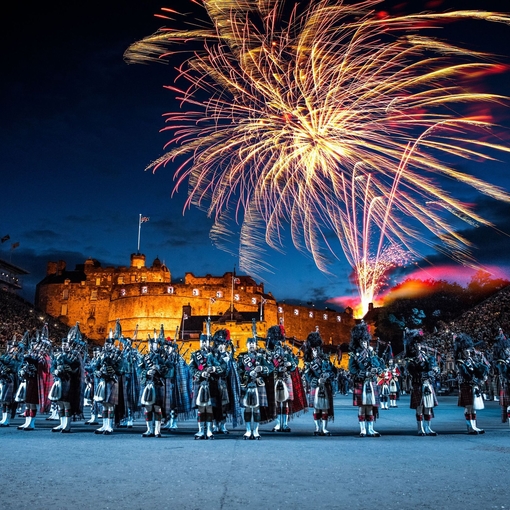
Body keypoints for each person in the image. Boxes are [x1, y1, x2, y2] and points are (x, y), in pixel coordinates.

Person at [237, 321, 273, 439]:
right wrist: (248, 373)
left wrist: (261, 368)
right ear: (247, 345)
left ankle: (256, 431)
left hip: (258, 384)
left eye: (253, 343)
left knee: (257, 409)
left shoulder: (260, 357)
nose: (251, 345)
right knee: (247, 409)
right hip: (247, 384)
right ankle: (248, 430)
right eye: (250, 343)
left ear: (255, 345)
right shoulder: (242, 358)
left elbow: (270, 368)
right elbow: (239, 370)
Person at [48, 323, 85, 433]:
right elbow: (53, 365)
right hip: (59, 380)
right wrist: (54, 370)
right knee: (59, 402)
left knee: (66, 403)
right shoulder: (59, 354)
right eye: (63, 344)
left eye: (66, 344)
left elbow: (78, 368)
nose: (64, 346)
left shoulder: (75, 354)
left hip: (69, 381)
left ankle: (67, 425)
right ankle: (61, 424)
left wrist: (69, 369)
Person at [348, 322, 383, 437]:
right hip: (361, 382)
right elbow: (352, 369)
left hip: (371, 382)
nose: (364, 343)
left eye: (365, 341)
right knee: (362, 407)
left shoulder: (371, 353)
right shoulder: (354, 355)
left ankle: (371, 429)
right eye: (362, 341)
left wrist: (376, 369)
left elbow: (379, 365)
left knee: (370, 407)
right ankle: (363, 429)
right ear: (359, 341)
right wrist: (365, 373)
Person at [189, 330, 225, 439]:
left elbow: (222, 368)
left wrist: (213, 368)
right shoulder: (195, 355)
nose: (204, 343)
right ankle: (201, 430)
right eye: (202, 341)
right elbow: (191, 368)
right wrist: (200, 373)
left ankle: (209, 430)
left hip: (211, 384)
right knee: (201, 408)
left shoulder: (213, 355)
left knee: (209, 408)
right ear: (199, 343)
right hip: (200, 384)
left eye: (206, 342)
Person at [15, 326, 52, 431]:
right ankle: (26, 422)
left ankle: (31, 423)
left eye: (35, 344)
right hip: (29, 379)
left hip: (37, 381)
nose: (34, 346)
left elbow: (45, 368)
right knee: (27, 403)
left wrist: (33, 363)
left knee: (32, 402)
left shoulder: (44, 355)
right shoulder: (33, 354)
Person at [405, 329, 439, 436]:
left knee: (428, 407)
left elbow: (432, 368)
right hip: (418, 384)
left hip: (427, 383)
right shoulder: (411, 359)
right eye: (416, 344)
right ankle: (420, 429)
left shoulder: (426, 356)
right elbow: (413, 371)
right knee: (419, 407)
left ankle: (428, 428)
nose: (418, 346)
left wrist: (433, 370)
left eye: (419, 344)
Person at [454, 332, 490, 435]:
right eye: (467, 350)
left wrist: (480, 376)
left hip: (474, 384)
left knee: (473, 408)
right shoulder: (460, 361)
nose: (469, 352)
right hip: (466, 384)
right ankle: (470, 427)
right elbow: (465, 373)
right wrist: (473, 378)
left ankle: (474, 425)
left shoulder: (470, 359)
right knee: (468, 407)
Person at [303, 328, 337, 436]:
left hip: (325, 386)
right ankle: (317, 428)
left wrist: (328, 376)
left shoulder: (326, 361)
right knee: (317, 408)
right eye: (313, 350)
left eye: (317, 349)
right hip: (316, 386)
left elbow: (334, 372)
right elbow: (307, 376)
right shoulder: (309, 363)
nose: (315, 351)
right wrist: (317, 380)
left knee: (325, 408)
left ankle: (324, 428)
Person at [93, 331, 123, 435]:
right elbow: (95, 365)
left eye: (109, 344)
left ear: (112, 345)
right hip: (103, 381)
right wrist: (97, 371)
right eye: (106, 344)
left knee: (110, 404)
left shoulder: (117, 355)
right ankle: (104, 425)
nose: (107, 346)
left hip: (112, 380)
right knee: (104, 404)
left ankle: (109, 426)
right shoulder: (102, 355)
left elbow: (121, 368)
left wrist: (113, 370)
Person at [0, 335, 23, 427]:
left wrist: (9, 368)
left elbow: (18, 366)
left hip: (12, 379)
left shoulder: (18, 356)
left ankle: (7, 420)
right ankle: (3, 418)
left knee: (9, 401)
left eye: (12, 347)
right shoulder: (5, 355)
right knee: (3, 400)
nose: (10, 348)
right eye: (9, 346)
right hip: (4, 378)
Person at [491, 329, 510, 427]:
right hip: (506, 379)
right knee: (507, 404)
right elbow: (496, 363)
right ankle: (507, 418)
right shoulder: (499, 356)